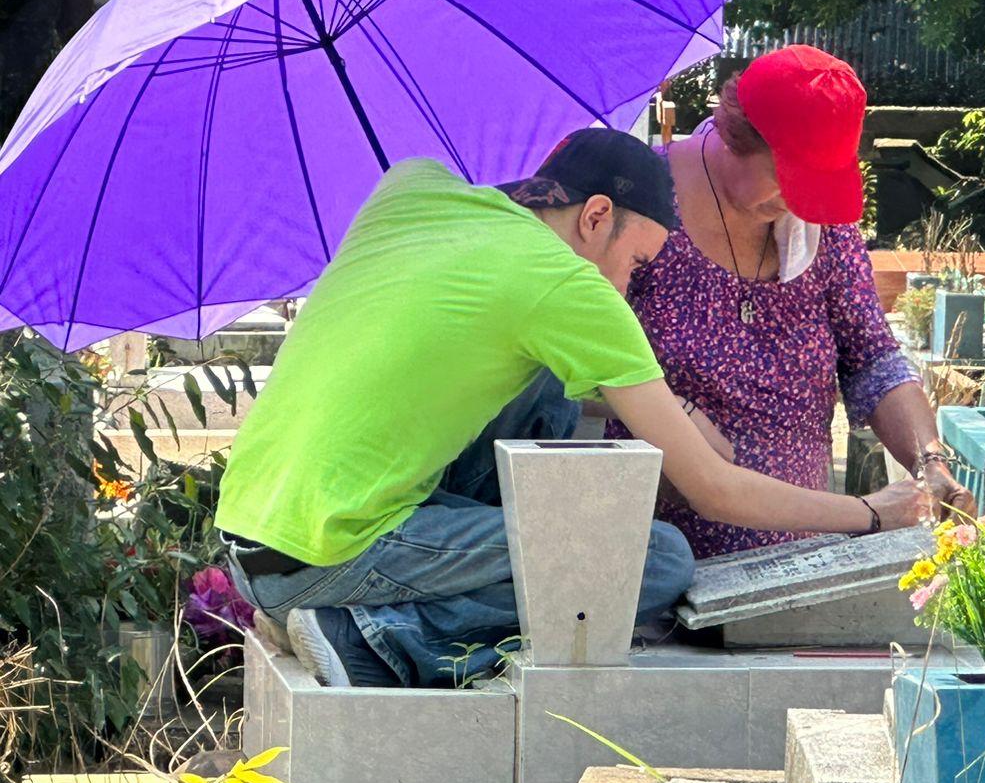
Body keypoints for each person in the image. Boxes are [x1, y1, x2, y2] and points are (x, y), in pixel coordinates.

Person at [214, 129, 928, 689]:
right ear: (595, 217)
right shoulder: (570, 290)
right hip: (329, 556)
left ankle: (361, 614)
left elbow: (472, 331)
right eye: (637, 266)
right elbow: (713, 488)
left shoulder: (413, 188)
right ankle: (382, 641)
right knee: (652, 559)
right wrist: (870, 515)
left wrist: (674, 408)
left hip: (252, 537)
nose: (628, 289)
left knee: (549, 387)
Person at [610, 45, 975, 558]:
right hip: (654, 550)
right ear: (738, 136)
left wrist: (930, 463)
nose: (797, 204)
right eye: (788, 180)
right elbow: (586, 363)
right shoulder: (643, 199)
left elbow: (872, 358)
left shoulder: (822, 226)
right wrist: (675, 408)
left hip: (798, 553)